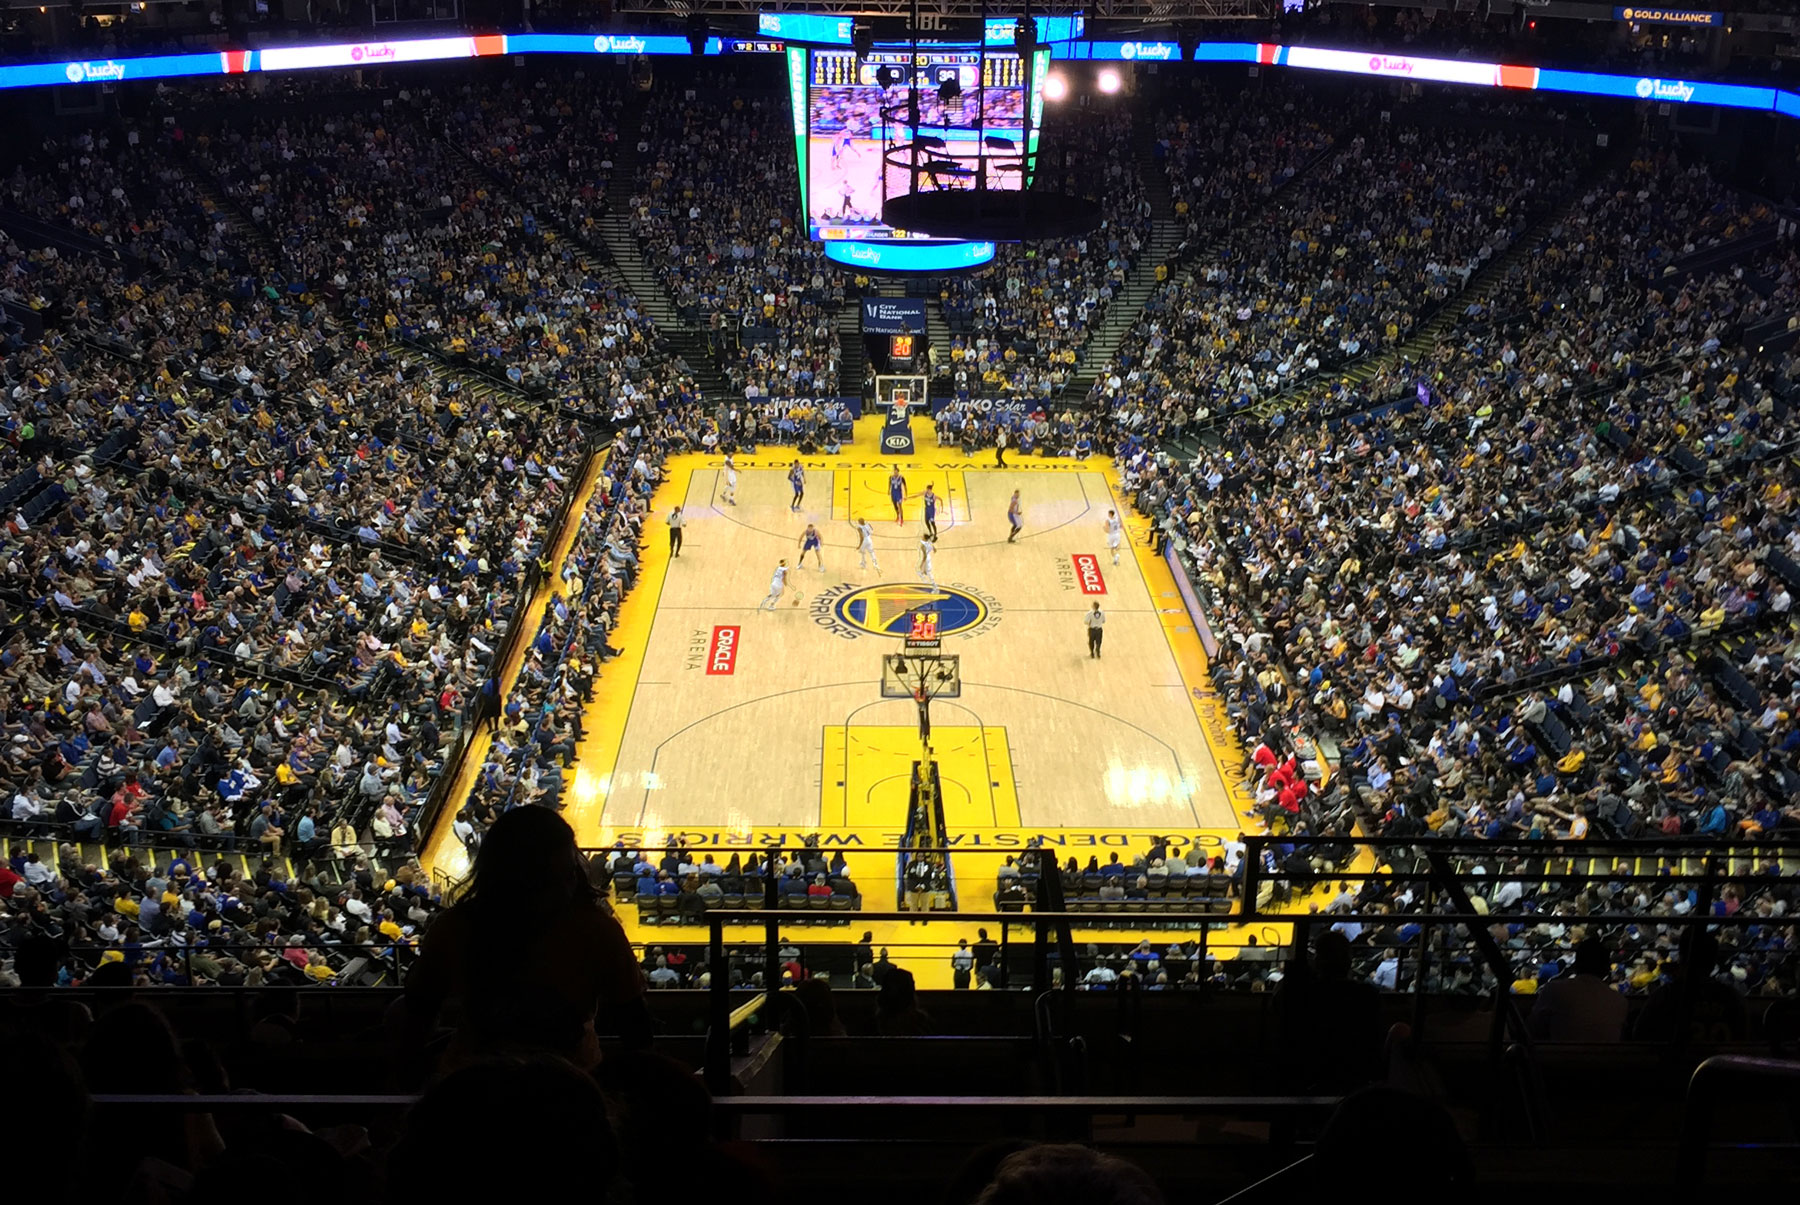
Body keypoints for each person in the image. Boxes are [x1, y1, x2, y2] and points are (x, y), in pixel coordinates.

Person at [405, 807, 650, 1070]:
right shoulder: (596, 930)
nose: (568, 883)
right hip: (571, 1078)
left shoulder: (454, 926)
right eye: (554, 876)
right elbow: (635, 1026)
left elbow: (416, 1014)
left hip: (474, 1077)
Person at [1529, 937, 1627, 1042]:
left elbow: (1532, 1027)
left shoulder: (1553, 990)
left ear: (1576, 965)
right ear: (1606, 969)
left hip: (1558, 1052)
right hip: (1606, 1053)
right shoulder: (1620, 1001)